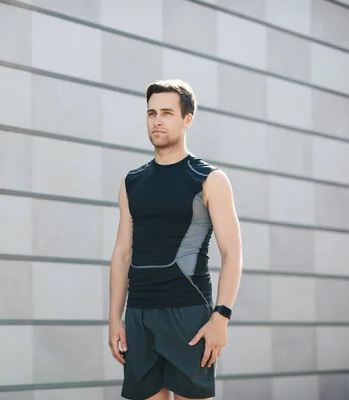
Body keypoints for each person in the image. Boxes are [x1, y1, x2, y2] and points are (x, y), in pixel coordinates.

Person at [108, 79, 243, 400]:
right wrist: (115, 318)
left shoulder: (209, 179)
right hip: (140, 314)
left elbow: (233, 253)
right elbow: (122, 253)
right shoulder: (132, 182)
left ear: (187, 120)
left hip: (189, 314)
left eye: (167, 113)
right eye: (151, 113)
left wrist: (221, 317)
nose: (157, 120)